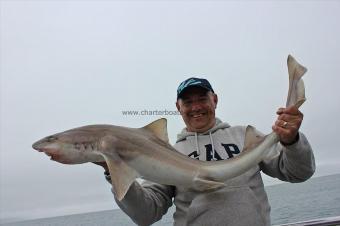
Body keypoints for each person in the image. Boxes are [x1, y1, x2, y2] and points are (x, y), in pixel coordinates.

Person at [97, 77, 315, 226]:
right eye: (188, 102)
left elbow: (298, 173)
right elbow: (146, 213)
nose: (196, 107)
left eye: (202, 99)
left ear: (215, 100)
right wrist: (116, 170)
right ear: (178, 107)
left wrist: (291, 141)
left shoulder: (244, 136)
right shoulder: (165, 154)